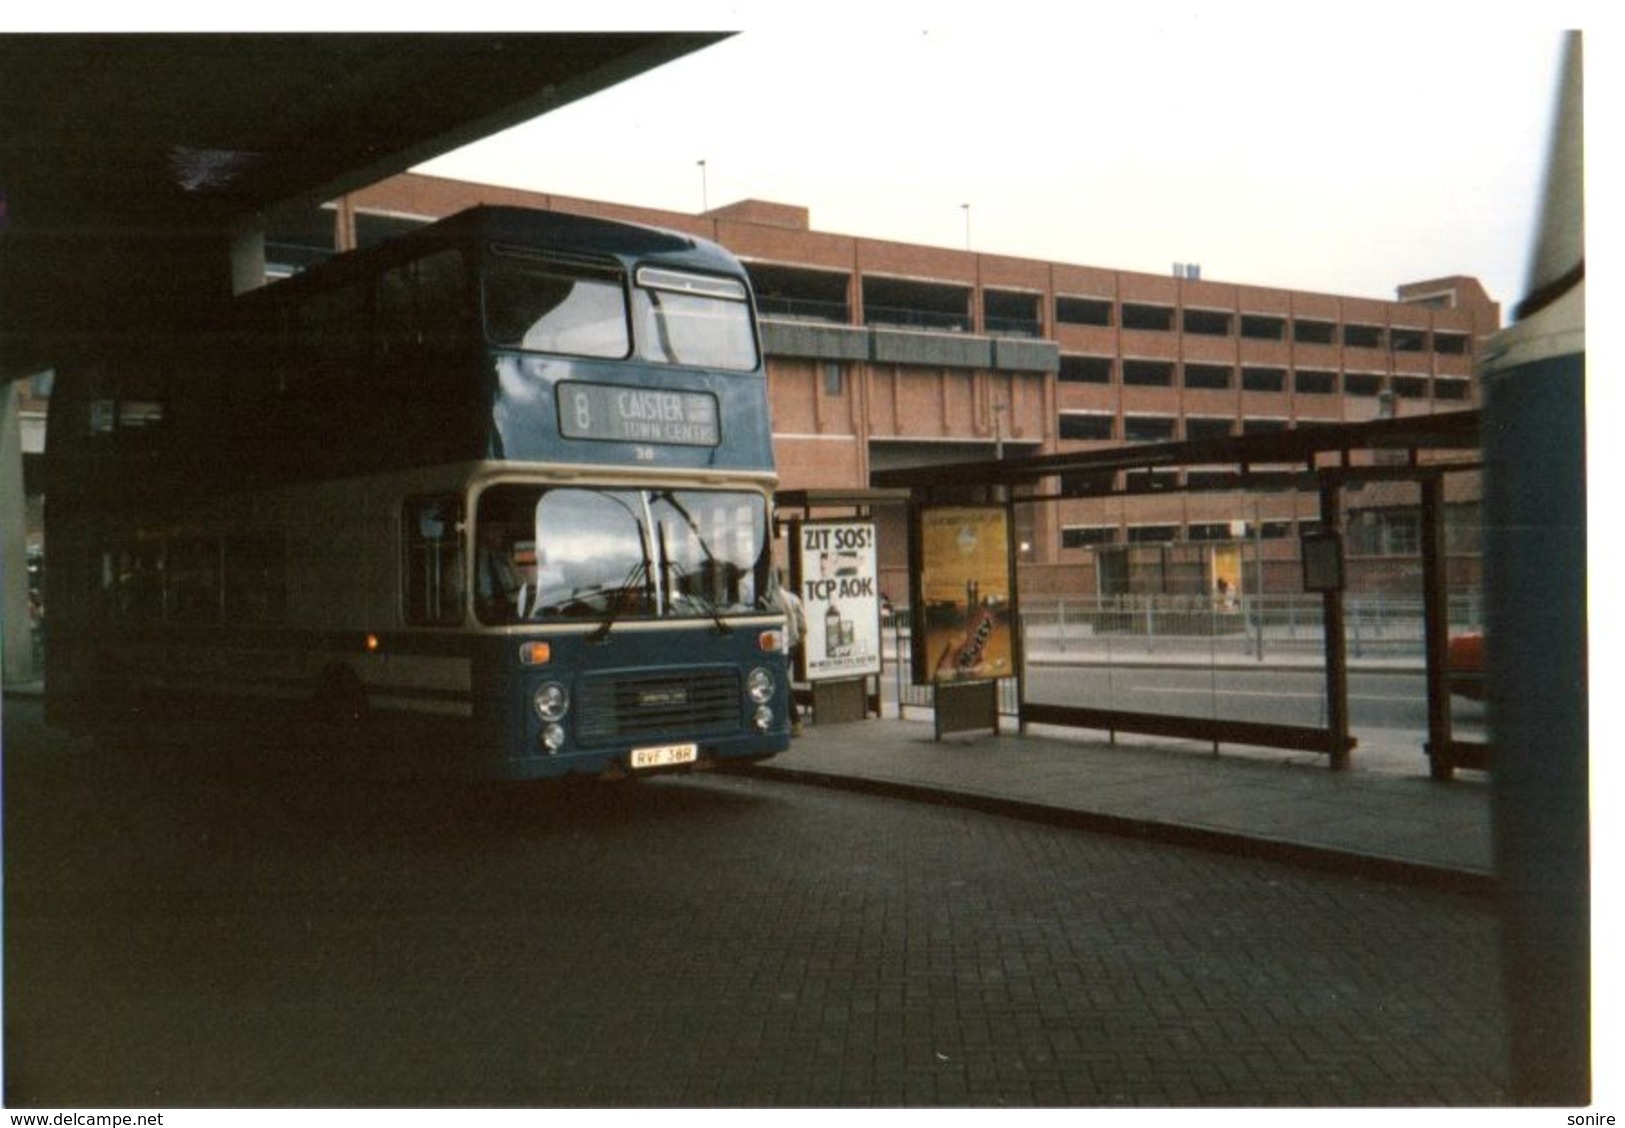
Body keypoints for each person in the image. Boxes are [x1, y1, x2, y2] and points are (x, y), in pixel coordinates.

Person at [775, 569, 807, 735]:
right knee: (781, 681)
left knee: (780, 682)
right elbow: (803, 626)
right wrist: (797, 640)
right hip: (792, 644)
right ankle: (791, 721)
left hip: (779, 646)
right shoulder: (793, 598)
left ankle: (795, 721)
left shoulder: (772, 598)